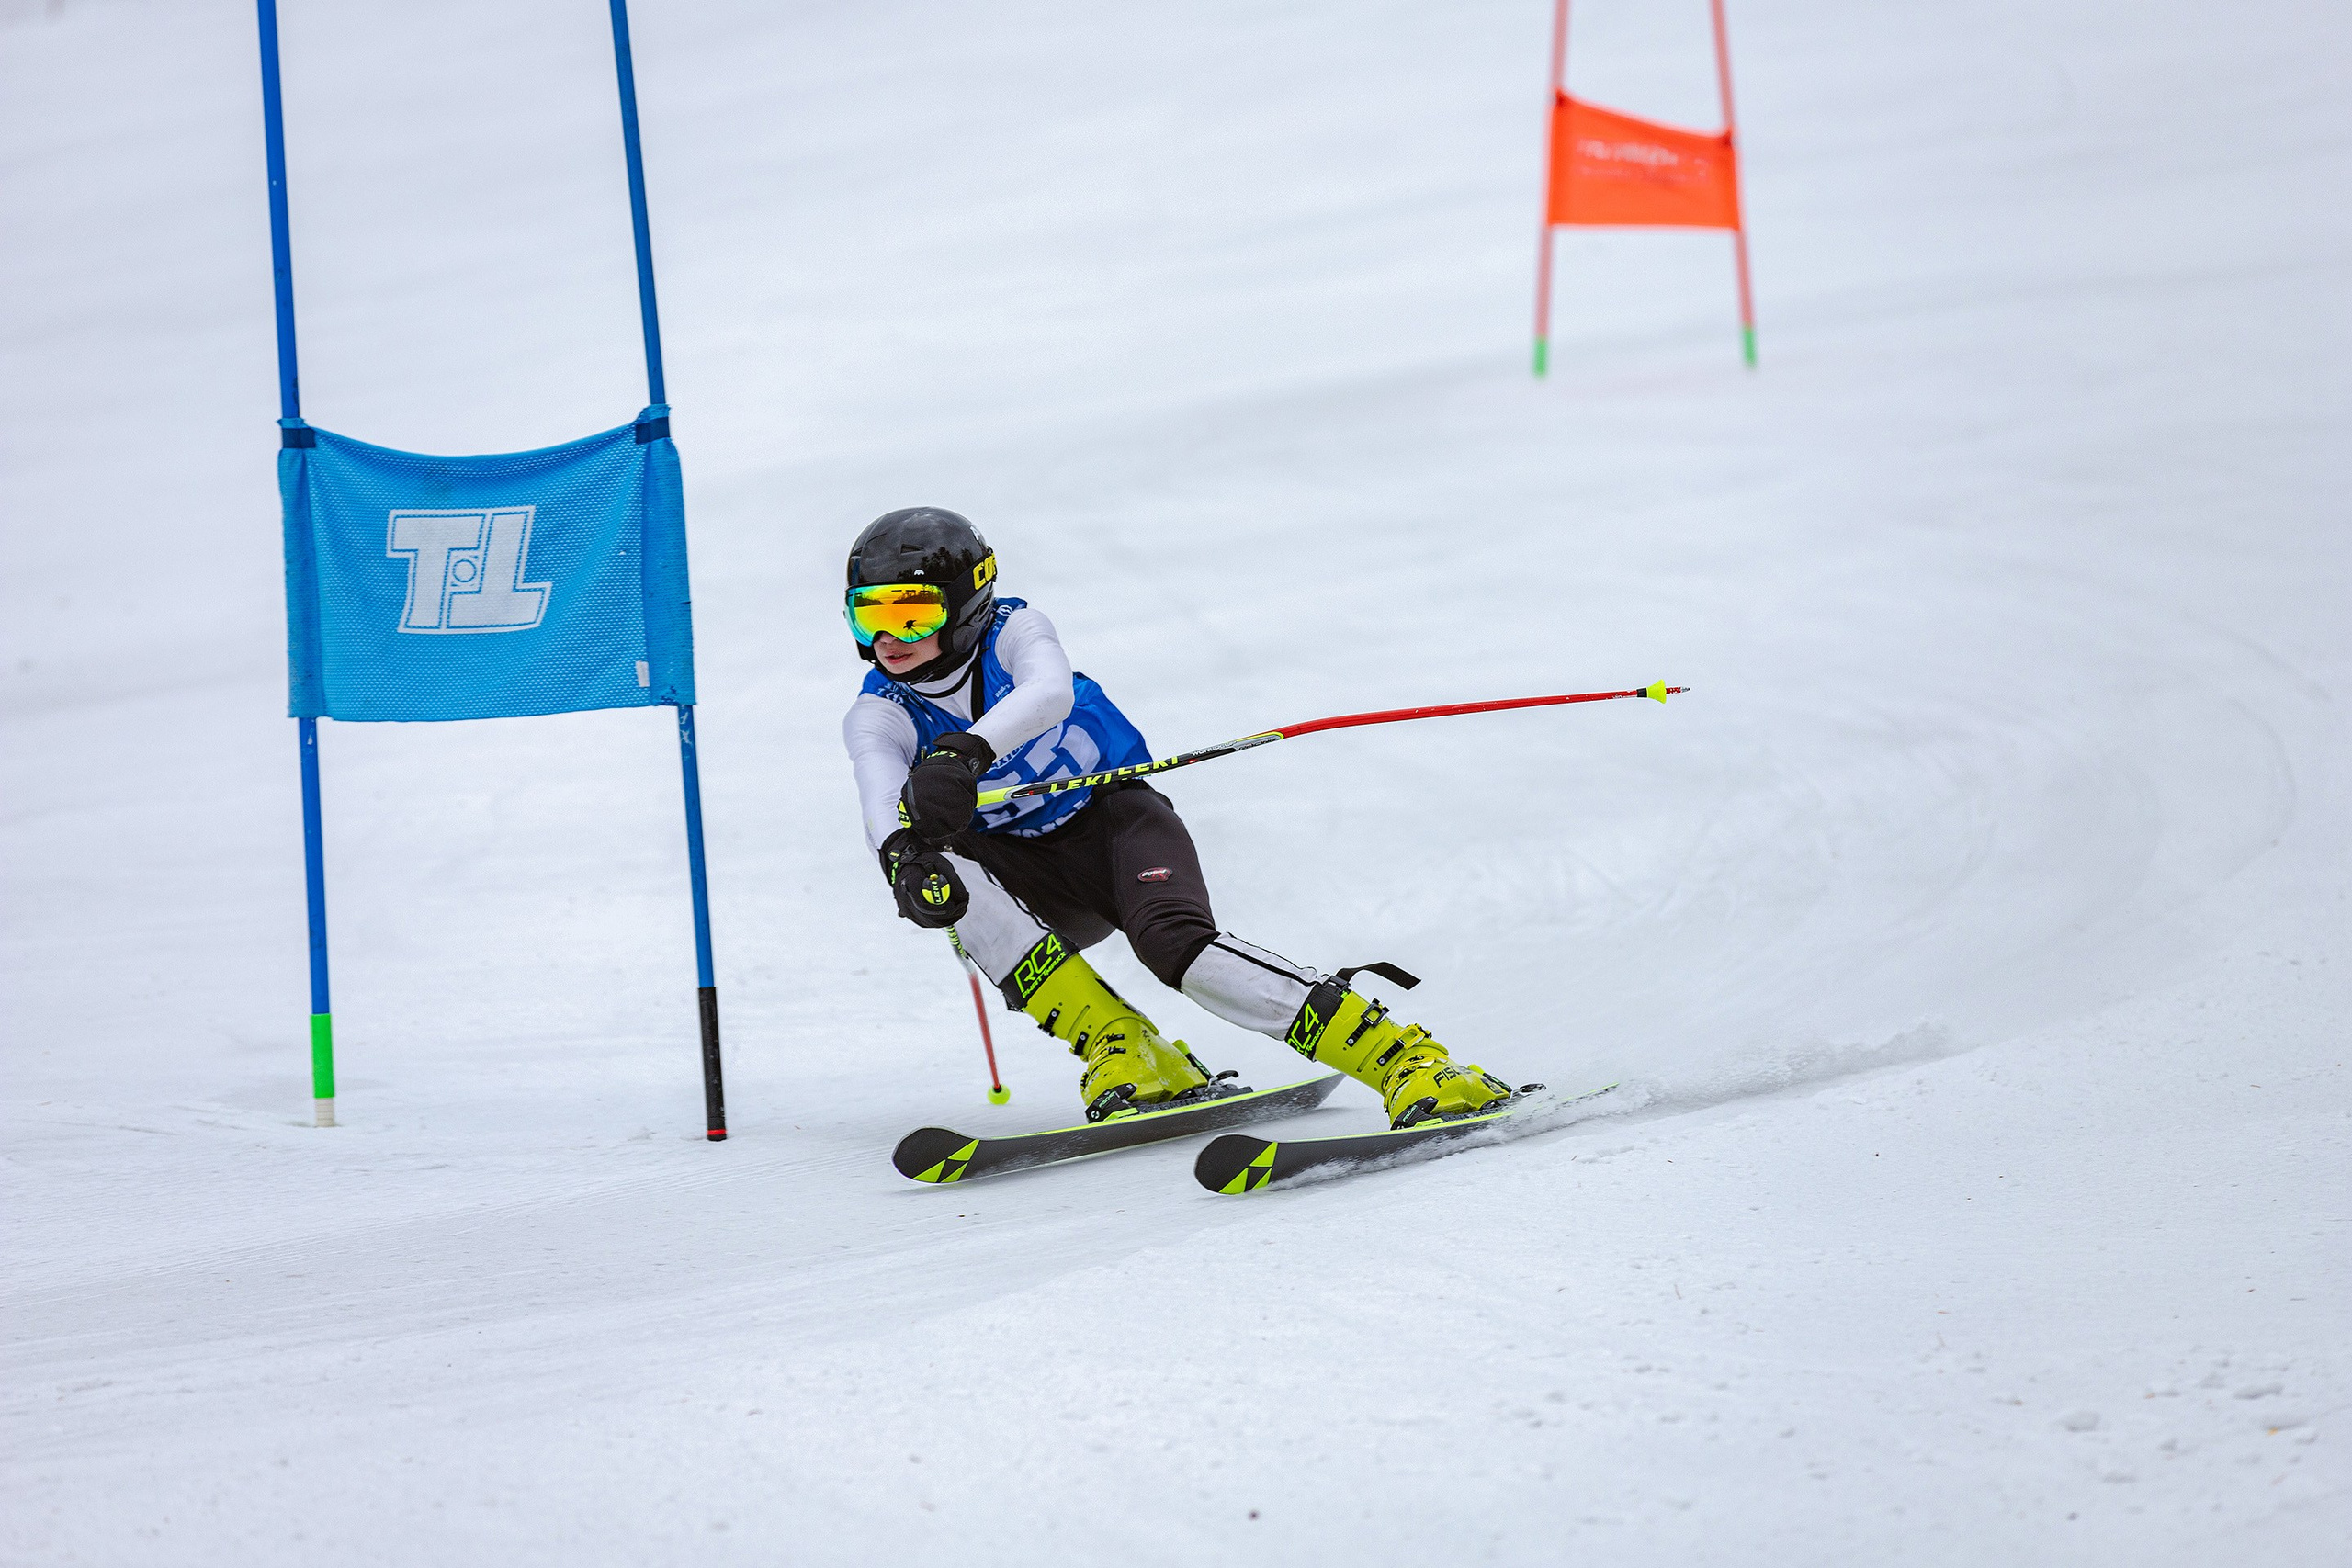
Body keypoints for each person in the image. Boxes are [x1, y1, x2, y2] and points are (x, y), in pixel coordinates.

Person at [840, 506, 1518, 1126]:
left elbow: (1048, 692)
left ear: (964, 606)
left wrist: (966, 753)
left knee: (1177, 947)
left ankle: (1409, 1061)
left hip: (1112, 825)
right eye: (868, 618)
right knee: (939, 866)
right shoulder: (880, 711)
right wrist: (904, 858)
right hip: (1027, 881)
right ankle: (1129, 1048)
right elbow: (879, 798)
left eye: (910, 614)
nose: (889, 639)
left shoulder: (1017, 630)